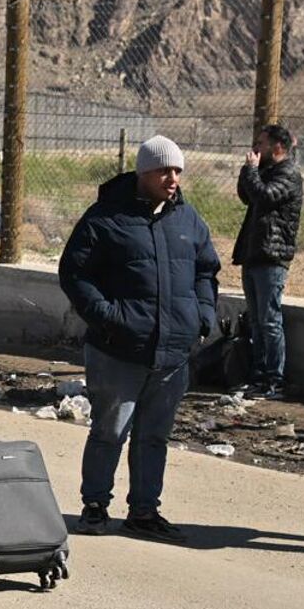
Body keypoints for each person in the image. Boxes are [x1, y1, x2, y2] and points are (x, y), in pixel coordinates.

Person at [58, 135, 220, 542]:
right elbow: (75, 274)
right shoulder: (106, 217)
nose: (173, 178)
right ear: (144, 172)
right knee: (110, 431)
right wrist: (109, 318)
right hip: (119, 349)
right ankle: (95, 506)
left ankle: (144, 511)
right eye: (165, 170)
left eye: (178, 170)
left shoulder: (188, 220)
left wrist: (202, 316)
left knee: (154, 436)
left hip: (173, 353)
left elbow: (206, 270)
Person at [233, 123, 304, 398]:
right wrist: (248, 169)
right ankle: (258, 375)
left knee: (269, 320)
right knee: (257, 320)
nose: (256, 148)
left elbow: (264, 196)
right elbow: (246, 196)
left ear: (277, 147)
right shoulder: (265, 171)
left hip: (272, 256)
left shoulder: (288, 174)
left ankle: (275, 379)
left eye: (261, 143)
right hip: (254, 253)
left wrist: (252, 171)